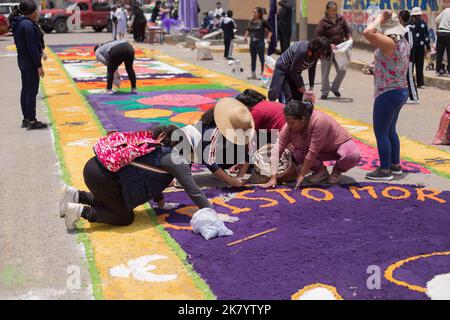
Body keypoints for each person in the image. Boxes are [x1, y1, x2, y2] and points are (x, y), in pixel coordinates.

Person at [60, 126, 213, 231]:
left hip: (94, 168)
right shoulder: (174, 157)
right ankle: (81, 211)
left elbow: (153, 177)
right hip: (104, 179)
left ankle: (76, 195)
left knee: (113, 203)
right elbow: (192, 189)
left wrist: (161, 203)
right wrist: (211, 212)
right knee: (123, 217)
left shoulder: (156, 147)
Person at [261, 100, 361, 188]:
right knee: (298, 153)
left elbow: (313, 152)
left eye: (292, 123)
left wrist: (301, 175)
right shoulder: (288, 126)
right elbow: (277, 150)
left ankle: (337, 171)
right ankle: (321, 171)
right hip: (320, 151)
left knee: (353, 155)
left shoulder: (319, 121)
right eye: (287, 122)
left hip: (337, 146)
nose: (289, 126)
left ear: (303, 119)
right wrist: (273, 177)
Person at [363, 11, 410, 181]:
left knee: (381, 132)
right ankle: (395, 166)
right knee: (390, 130)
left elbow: (368, 33)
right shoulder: (403, 41)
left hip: (388, 92)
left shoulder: (390, 42)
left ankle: (384, 171)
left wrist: (380, 19)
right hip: (399, 90)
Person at [173, 99, 254, 188]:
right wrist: (230, 180)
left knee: (237, 149)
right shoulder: (213, 131)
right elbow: (209, 160)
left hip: (211, 149)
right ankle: (176, 173)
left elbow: (249, 151)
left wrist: (240, 176)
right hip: (191, 149)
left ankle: (220, 172)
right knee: (184, 181)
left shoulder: (244, 125)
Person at [11, 0, 47, 130]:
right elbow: (32, 47)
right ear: (32, 13)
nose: (37, 13)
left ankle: (26, 118)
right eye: (36, 10)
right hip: (30, 62)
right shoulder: (28, 25)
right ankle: (32, 120)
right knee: (31, 91)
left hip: (22, 60)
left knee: (25, 89)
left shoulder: (18, 22)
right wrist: (39, 66)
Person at [268, 37, 331, 103]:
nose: (323, 55)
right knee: (287, 95)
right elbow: (293, 71)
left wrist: (311, 87)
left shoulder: (315, 54)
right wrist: (300, 86)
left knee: (300, 97)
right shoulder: (302, 50)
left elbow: (312, 69)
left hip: (295, 72)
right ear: (317, 48)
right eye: (323, 52)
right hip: (283, 69)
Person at [315, 1, 352, 100]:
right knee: (325, 72)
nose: (334, 12)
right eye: (332, 10)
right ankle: (324, 92)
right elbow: (318, 36)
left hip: (340, 49)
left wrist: (349, 38)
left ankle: (334, 88)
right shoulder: (323, 21)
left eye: (335, 10)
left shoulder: (341, 19)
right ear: (327, 10)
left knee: (342, 69)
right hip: (326, 50)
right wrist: (328, 44)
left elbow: (347, 30)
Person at [244, 7, 273, 80]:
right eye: (253, 12)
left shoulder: (263, 22)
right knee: (253, 58)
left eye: (255, 12)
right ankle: (253, 73)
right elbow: (248, 29)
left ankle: (263, 73)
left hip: (260, 42)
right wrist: (245, 37)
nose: (253, 14)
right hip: (252, 43)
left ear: (259, 14)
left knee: (261, 59)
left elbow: (270, 31)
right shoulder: (251, 21)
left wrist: (269, 38)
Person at [399, 9, 419, 104]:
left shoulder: (408, 29)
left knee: (410, 76)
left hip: (409, 57)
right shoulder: (405, 29)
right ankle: (408, 95)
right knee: (406, 77)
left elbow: (410, 43)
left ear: (401, 19)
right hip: (405, 58)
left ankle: (414, 97)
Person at [410, 7, 431, 89]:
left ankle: (411, 83)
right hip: (421, 48)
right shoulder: (423, 23)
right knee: (419, 65)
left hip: (412, 48)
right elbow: (426, 36)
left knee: (411, 66)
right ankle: (420, 83)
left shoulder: (410, 24)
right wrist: (428, 46)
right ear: (420, 14)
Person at [435, 4, 450, 76]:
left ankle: (438, 70)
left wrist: (437, 29)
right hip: (448, 33)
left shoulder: (445, 10)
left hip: (440, 33)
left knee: (439, 53)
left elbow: (437, 20)